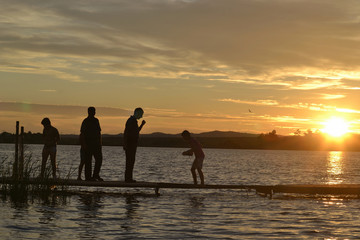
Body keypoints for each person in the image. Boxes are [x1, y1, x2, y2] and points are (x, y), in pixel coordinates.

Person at [80, 107, 103, 181]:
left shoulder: (96, 121)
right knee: (88, 161)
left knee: (99, 159)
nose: (94, 113)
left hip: (96, 144)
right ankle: (88, 177)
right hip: (88, 143)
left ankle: (96, 175)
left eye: (94, 111)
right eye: (93, 111)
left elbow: (99, 133)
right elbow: (82, 134)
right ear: (89, 112)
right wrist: (84, 145)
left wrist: (100, 143)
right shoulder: (85, 121)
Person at [123, 107, 146, 182]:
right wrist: (125, 144)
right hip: (130, 144)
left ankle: (129, 178)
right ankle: (128, 178)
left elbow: (136, 131)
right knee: (129, 161)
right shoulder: (131, 121)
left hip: (132, 145)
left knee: (131, 161)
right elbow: (126, 132)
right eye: (141, 114)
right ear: (137, 113)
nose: (141, 116)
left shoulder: (134, 121)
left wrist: (142, 125)